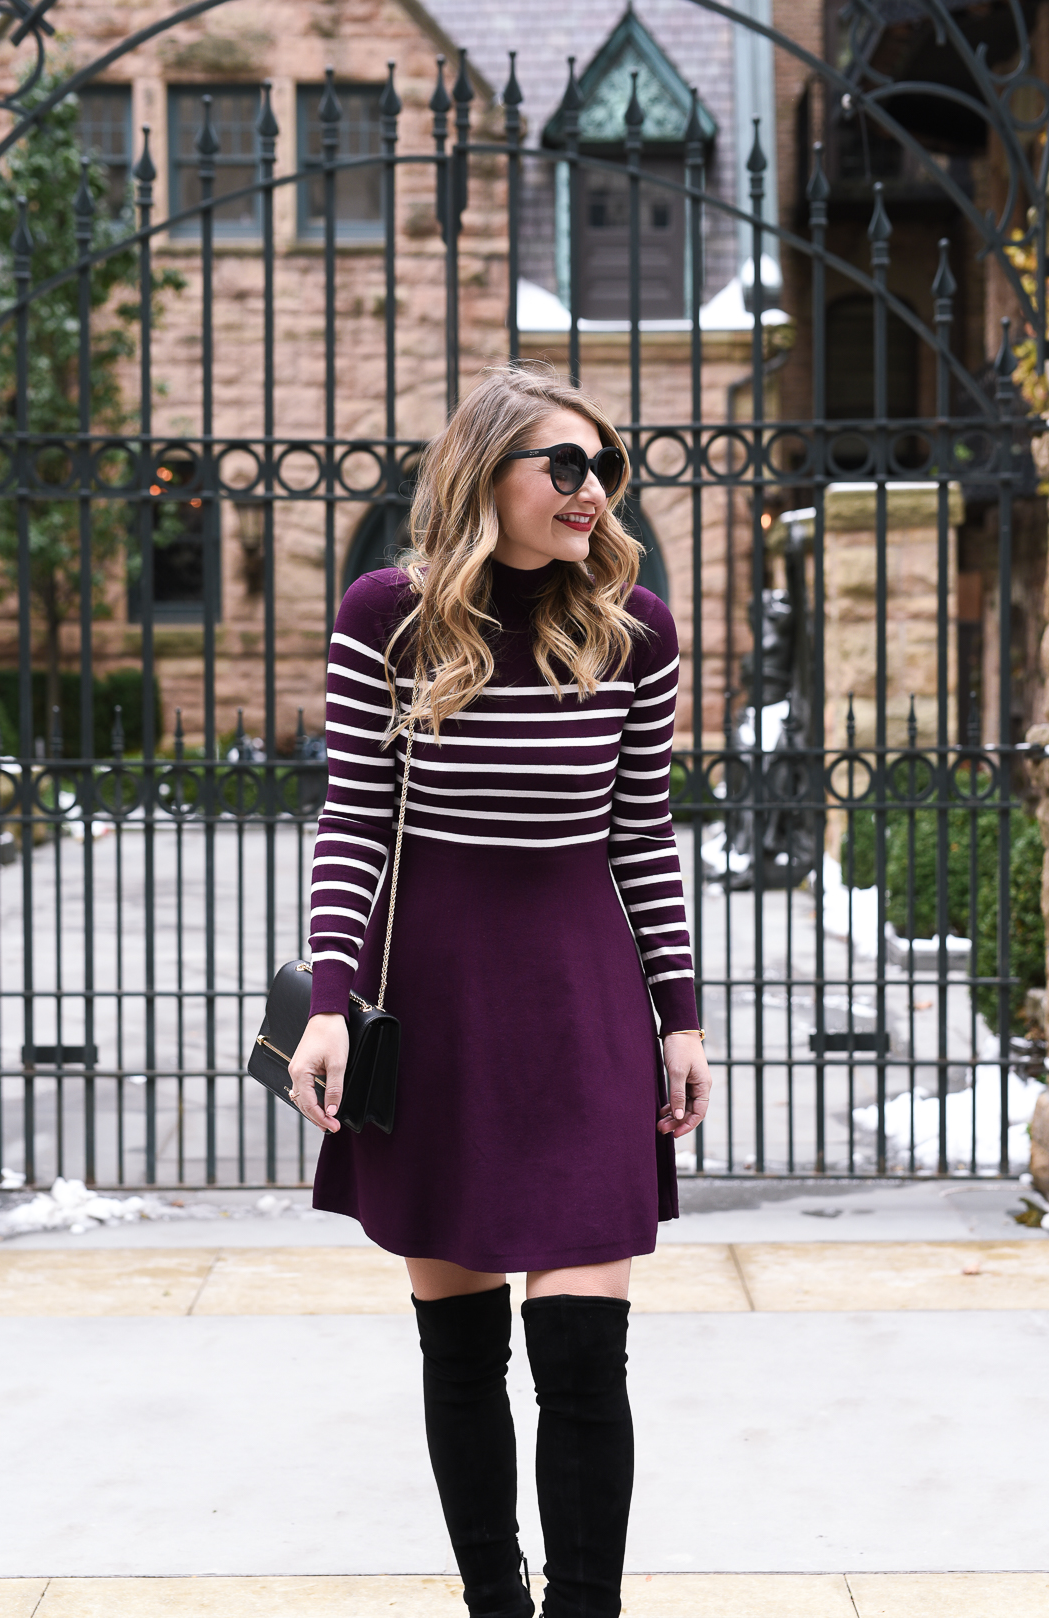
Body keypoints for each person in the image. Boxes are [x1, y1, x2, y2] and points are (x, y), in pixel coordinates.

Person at [288, 365, 711, 1618]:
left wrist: (679, 1019)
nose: (592, 491)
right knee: (461, 1353)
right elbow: (354, 819)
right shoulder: (388, 618)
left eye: (605, 468)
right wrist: (327, 997)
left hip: (584, 1006)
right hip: (441, 1006)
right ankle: (496, 1605)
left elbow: (644, 831)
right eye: (563, 466)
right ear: (488, 476)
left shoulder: (637, 627)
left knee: (585, 1358)